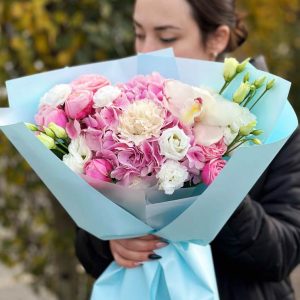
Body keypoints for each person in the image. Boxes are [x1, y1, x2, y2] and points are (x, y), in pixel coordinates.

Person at [75, 0, 300, 299]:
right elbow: (85, 245)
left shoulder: (270, 121)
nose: (146, 51)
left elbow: (284, 252)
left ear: (217, 39)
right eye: (139, 33)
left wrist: (220, 192)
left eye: (167, 37)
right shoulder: (119, 113)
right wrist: (111, 243)